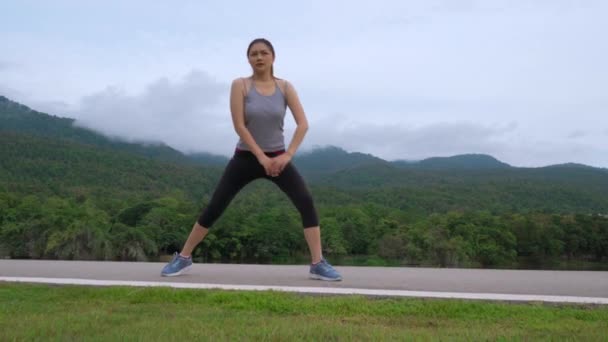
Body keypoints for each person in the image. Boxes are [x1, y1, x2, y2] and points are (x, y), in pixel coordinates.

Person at [161, 38, 342, 281]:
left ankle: (317, 263)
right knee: (215, 206)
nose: (259, 57)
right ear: (248, 59)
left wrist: (286, 156)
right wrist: (261, 157)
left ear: (273, 57)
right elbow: (239, 126)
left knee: (305, 201)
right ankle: (183, 257)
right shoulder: (240, 85)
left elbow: (303, 124)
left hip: (279, 158)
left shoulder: (286, 87)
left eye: (264, 53)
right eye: (254, 53)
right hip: (245, 157)